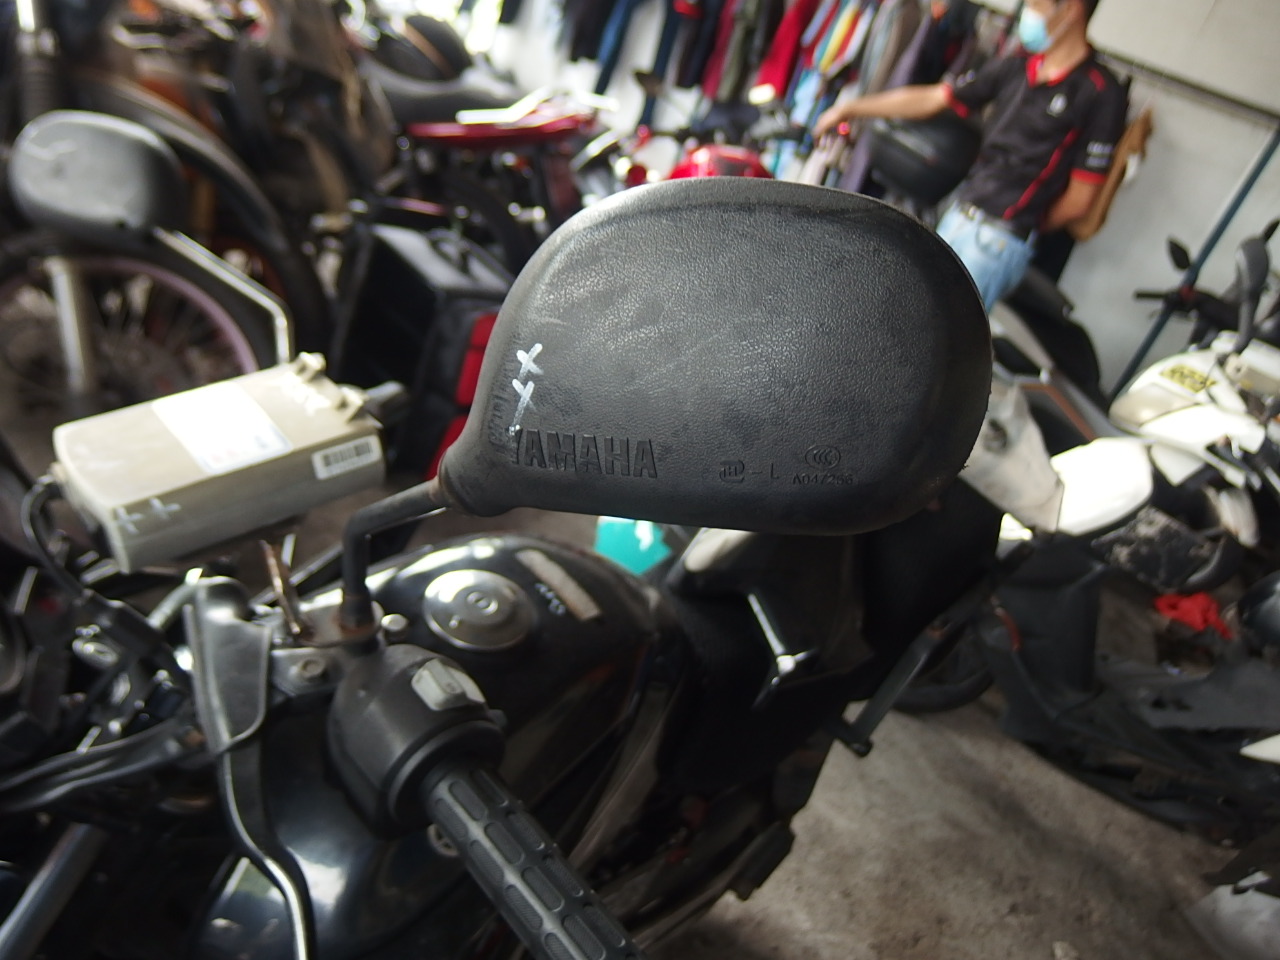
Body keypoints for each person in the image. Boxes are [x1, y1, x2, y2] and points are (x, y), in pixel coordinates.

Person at [814, 0, 1127, 309]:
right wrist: (851, 108)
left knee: (940, 331)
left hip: (998, 241)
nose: (1028, 12)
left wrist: (1017, 222)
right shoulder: (1018, 65)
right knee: (906, 314)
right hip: (960, 215)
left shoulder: (1100, 92)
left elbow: (1080, 200)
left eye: (1037, 4)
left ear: (1070, 9)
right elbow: (936, 98)